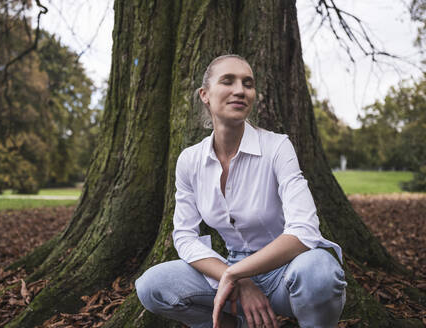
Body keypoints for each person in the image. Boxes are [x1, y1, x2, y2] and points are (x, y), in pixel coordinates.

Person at [135, 54, 347, 328]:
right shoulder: (190, 160)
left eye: (248, 83)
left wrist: (234, 274)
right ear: (205, 94)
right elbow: (185, 236)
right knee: (152, 285)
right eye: (228, 81)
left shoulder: (277, 147)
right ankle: (233, 322)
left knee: (319, 270)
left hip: (287, 271)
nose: (240, 90)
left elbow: (305, 231)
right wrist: (236, 278)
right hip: (229, 270)